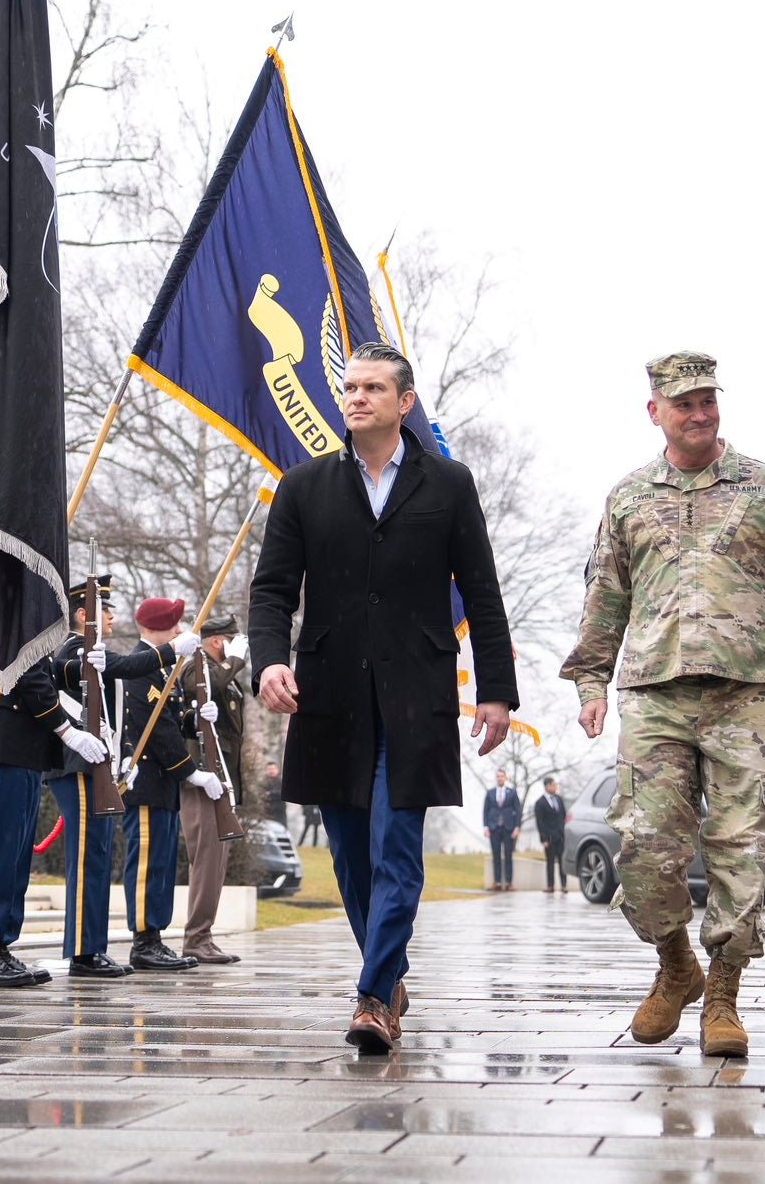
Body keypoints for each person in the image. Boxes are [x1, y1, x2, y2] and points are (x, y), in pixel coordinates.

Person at [563, 351, 765, 1058]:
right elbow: (606, 598)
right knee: (645, 849)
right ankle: (675, 965)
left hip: (748, 694)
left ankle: (723, 994)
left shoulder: (763, 487)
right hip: (655, 693)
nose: (699, 413)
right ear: (655, 411)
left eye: (708, 400)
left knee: (742, 851)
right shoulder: (628, 498)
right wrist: (591, 682)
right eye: (684, 403)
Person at [249, 341, 517, 1055]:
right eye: (350, 387)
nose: (356, 397)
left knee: (395, 842)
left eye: (373, 388)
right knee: (349, 854)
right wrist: (270, 662)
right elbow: (272, 590)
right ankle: (389, 973)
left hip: (416, 692)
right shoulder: (302, 486)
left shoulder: (448, 484)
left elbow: (483, 593)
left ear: (404, 403)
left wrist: (496, 692)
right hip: (328, 693)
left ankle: (372, 997)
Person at [48, 573, 153, 978]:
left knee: (99, 855)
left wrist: (123, 754)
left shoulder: (94, 653)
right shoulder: (69, 651)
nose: (111, 616)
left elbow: (111, 712)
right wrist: (167, 654)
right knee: (87, 855)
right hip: (75, 764)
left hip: (99, 764)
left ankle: (93, 946)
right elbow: (57, 675)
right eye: (104, 609)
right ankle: (81, 950)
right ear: (82, 614)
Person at [0, 648, 71, 989]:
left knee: (16, 856)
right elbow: (29, 675)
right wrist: (66, 729)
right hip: (3, 748)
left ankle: (0, 945)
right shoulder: (7, 617)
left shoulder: (21, 616)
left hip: (23, 749)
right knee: (0, 853)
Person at [118, 595, 203, 974]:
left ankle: (155, 936)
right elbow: (156, 729)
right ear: (161, 627)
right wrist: (189, 770)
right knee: (148, 862)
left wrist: (194, 719)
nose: (180, 630)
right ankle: (143, 940)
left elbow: (171, 718)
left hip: (162, 783)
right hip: (148, 779)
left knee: (163, 863)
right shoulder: (143, 665)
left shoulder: (163, 666)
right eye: (175, 624)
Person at [178, 611, 248, 965]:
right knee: (206, 860)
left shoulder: (224, 674)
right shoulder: (196, 664)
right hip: (203, 778)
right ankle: (195, 937)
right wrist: (234, 659)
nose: (239, 646)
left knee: (215, 862)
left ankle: (203, 935)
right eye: (233, 639)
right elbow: (205, 687)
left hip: (221, 780)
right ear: (218, 640)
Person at [483, 769, 521, 891]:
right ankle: (498, 882)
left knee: (509, 856)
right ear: (496, 778)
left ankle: (509, 883)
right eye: (498, 776)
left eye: (502, 776)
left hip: (509, 828)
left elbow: (518, 810)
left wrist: (517, 827)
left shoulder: (512, 792)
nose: (500, 778)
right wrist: (486, 827)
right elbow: (485, 811)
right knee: (496, 856)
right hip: (494, 828)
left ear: (505, 778)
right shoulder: (490, 793)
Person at [534, 776, 568, 893]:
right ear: (547, 786)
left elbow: (563, 816)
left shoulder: (559, 799)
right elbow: (540, 822)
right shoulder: (540, 803)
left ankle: (564, 885)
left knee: (562, 862)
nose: (556, 787)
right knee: (550, 862)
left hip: (560, 836)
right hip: (549, 837)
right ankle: (550, 885)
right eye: (554, 785)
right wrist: (543, 839)